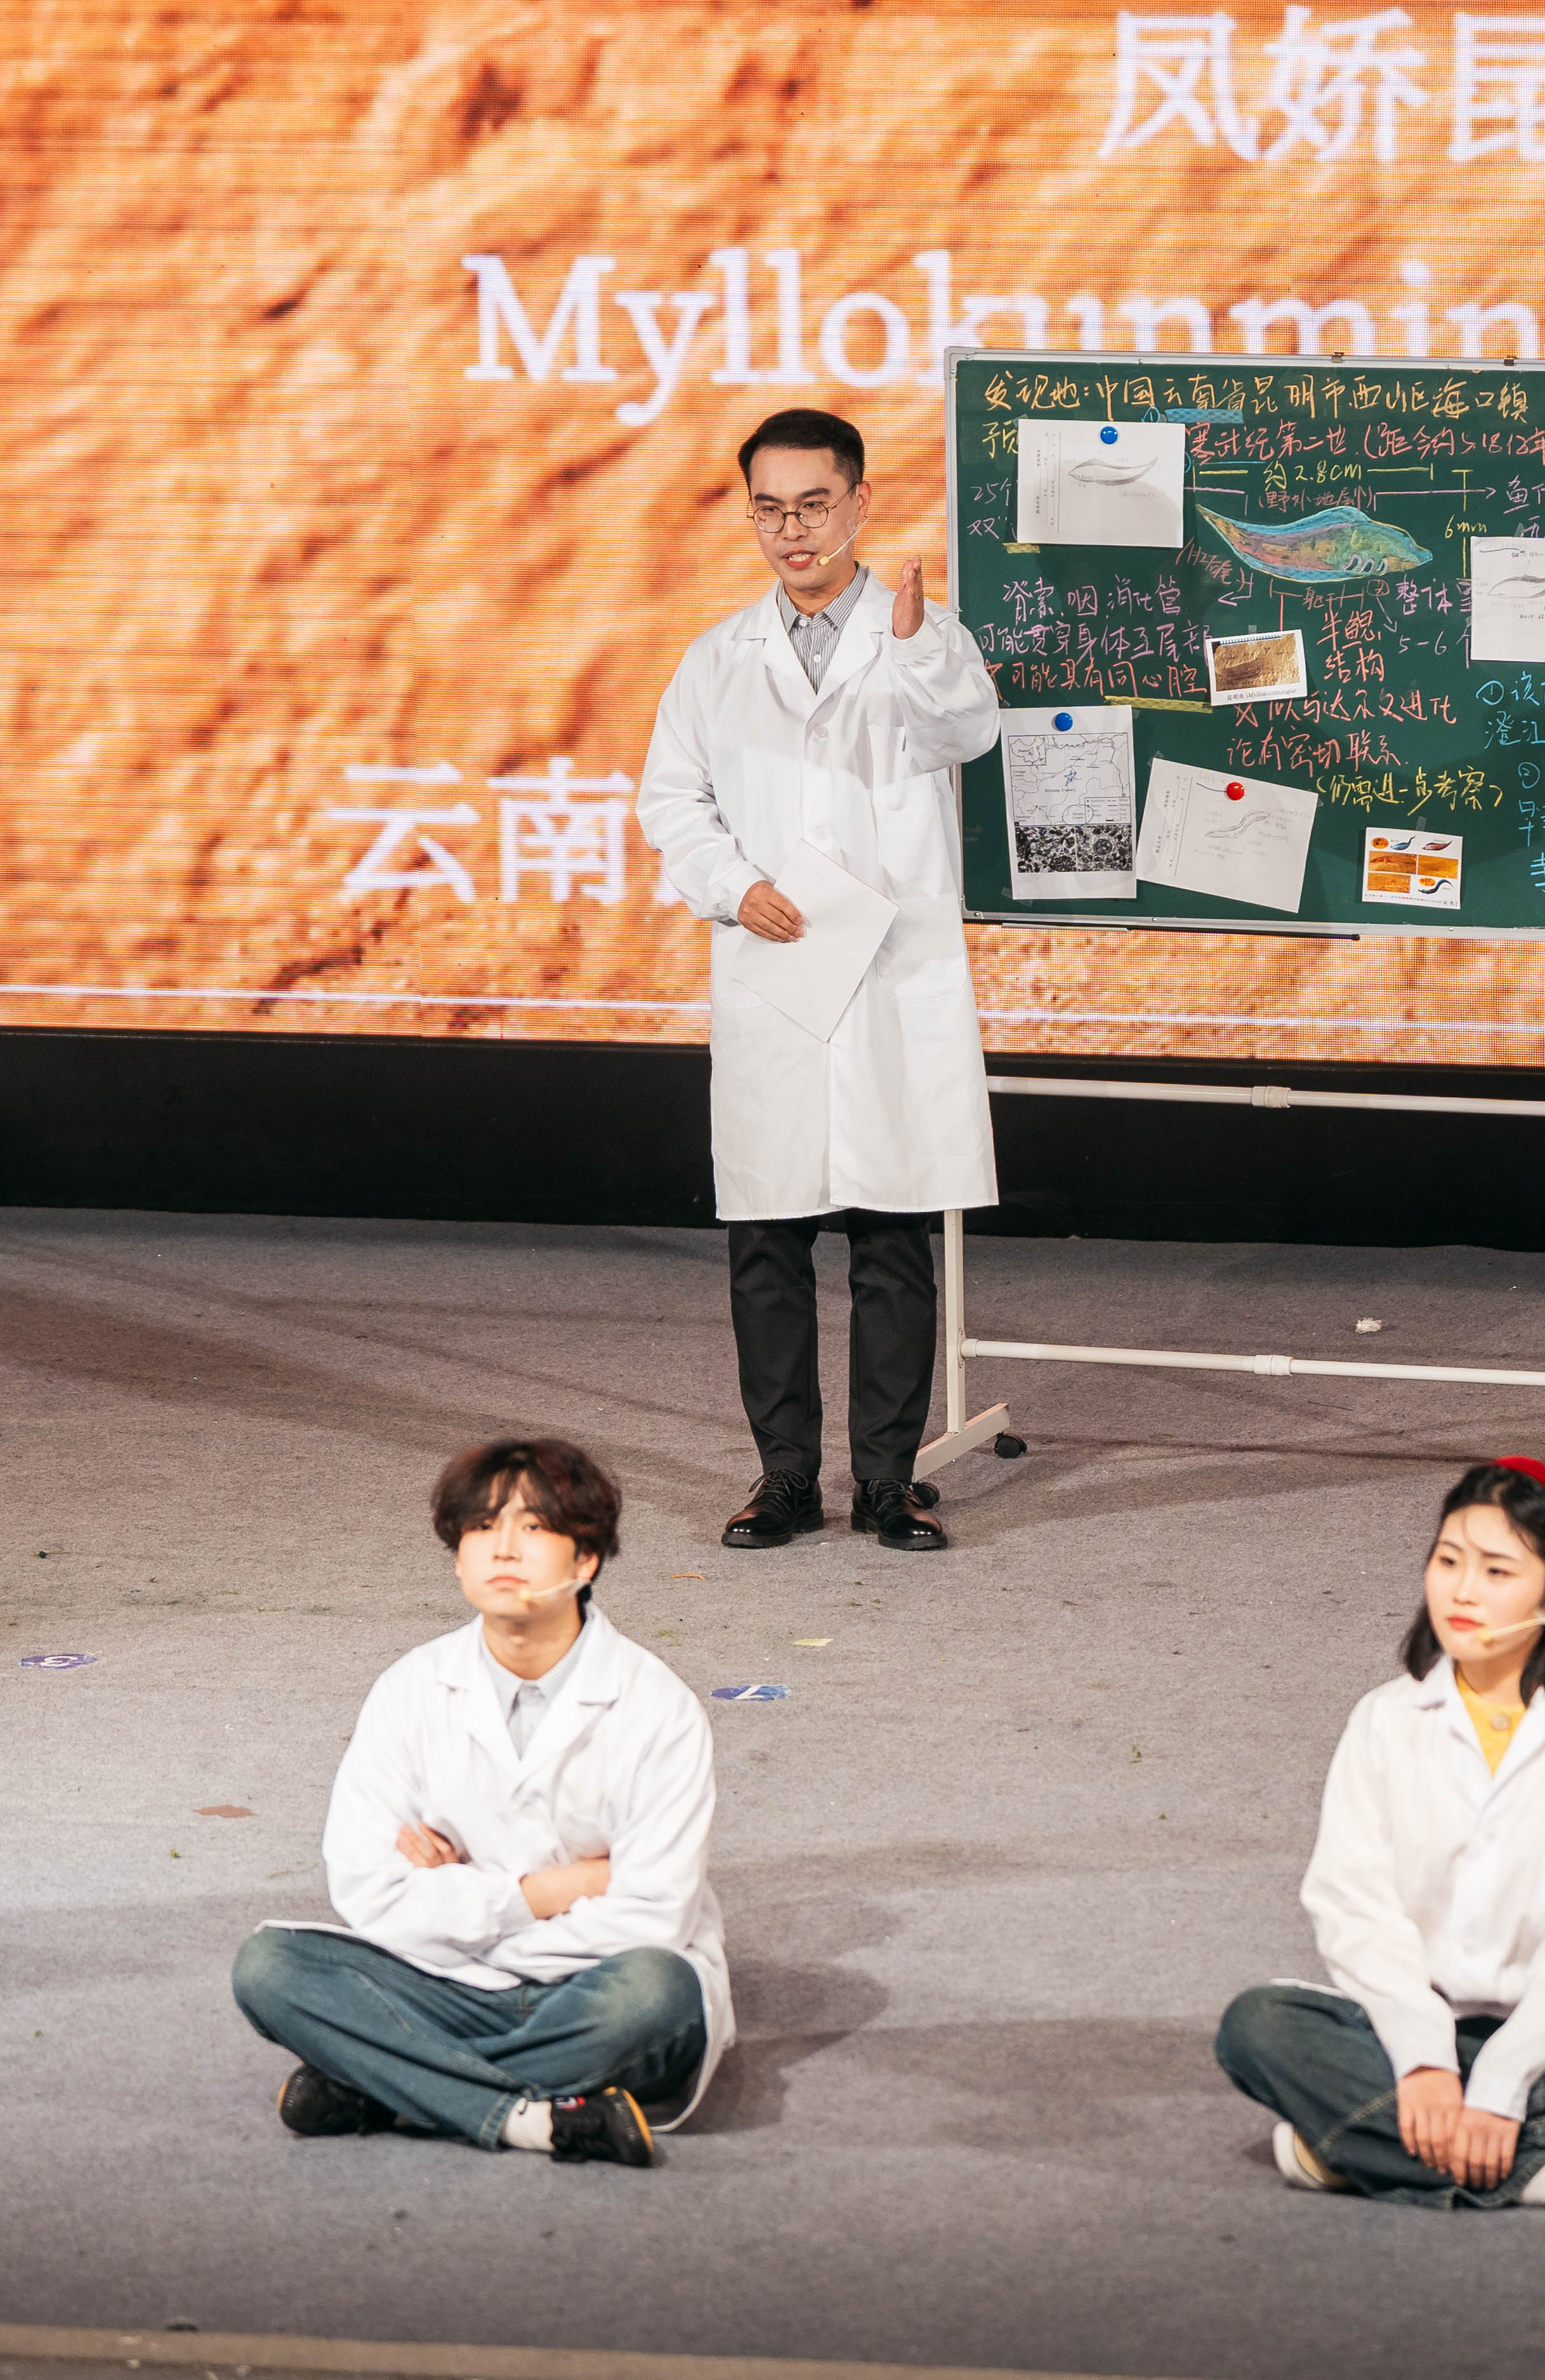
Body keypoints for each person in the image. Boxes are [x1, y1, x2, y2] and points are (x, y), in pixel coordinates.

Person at [636, 405, 1002, 1556]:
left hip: (890, 973)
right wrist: (731, 884)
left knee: (893, 1233)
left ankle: (888, 1481)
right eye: (769, 509)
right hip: (779, 964)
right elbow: (670, 799)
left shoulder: (917, 635)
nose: (791, 531)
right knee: (768, 1238)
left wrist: (919, 646)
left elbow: (967, 732)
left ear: (858, 504)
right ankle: (784, 1477)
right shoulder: (716, 657)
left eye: (813, 505)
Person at [1214, 1458, 1545, 2211]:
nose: (1460, 1591)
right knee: (1256, 2027)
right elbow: (1354, 1908)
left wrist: (1502, 2082)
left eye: (1496, 1571)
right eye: (1448, 1561)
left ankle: (1356, 2145)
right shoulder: (1384, 1721)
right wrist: (1424, 2065)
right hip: (1413, 2032)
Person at [230, 1437, 728, 2166]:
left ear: (586, 1561)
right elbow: (367, 1891)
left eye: (534, 1527)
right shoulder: (408, 1690)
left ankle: (389, 2080)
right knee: (269, 1968)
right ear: (457, 1559)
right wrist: (547, 1892)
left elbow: (653, 1916)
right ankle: (533, 2117)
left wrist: (459, 1907)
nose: (503, 1549)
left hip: (589, 1987)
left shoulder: (659, 1709)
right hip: (446, 1983)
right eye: (482, 1527)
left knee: (657, 1996)